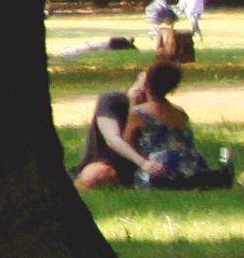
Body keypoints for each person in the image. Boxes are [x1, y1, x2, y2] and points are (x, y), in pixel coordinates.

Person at [78, 50, 231, 192]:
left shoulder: (139, 112)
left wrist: (133, 106)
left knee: (159, 180)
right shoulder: (180, 112)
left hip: (159, 165)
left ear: (147, 83)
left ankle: (177, 183)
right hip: (189, 163)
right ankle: (210, 178)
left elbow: (127, 141)